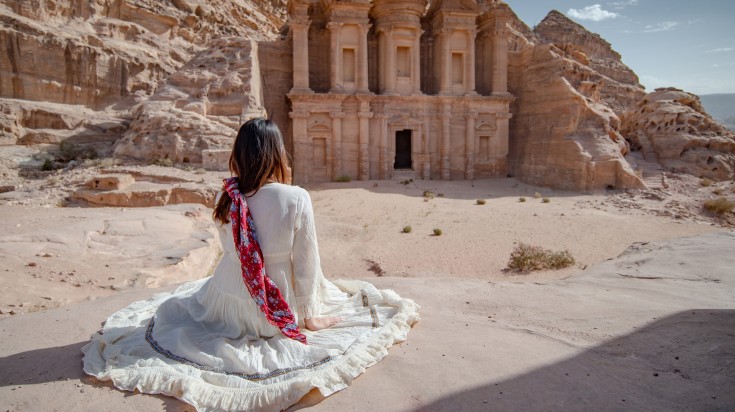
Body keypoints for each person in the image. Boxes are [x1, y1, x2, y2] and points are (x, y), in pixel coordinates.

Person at [82, 118, 420, 412]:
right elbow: (306, 262)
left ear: (240, 154)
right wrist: (307, 314)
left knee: (180, 311)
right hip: (275, 301)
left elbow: (229, 248)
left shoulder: (227, 195)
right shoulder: (295, 197)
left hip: (226, 294)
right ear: (277, 153)